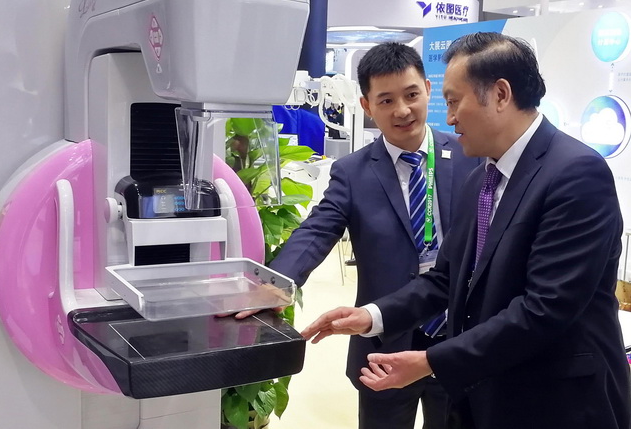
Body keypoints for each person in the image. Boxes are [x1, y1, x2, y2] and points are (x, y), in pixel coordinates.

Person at [300, 32, 631, 429]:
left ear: (500, 94)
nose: (451, 117)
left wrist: (430, 361)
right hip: (487, 389)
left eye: (455, 101)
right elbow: (447, 277)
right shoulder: (483, 178)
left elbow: (545, 309)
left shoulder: (575, 174)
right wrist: (371, 316)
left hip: (555, 400)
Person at [267, 42, 480, 429]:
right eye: (386, 100)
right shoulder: (353, 172)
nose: (402, 110)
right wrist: (275, 284)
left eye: (411, 95)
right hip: (385, 339)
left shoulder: (471, 154)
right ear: (367, 106)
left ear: (428, 90)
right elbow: (317, 230)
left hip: (459, 334)